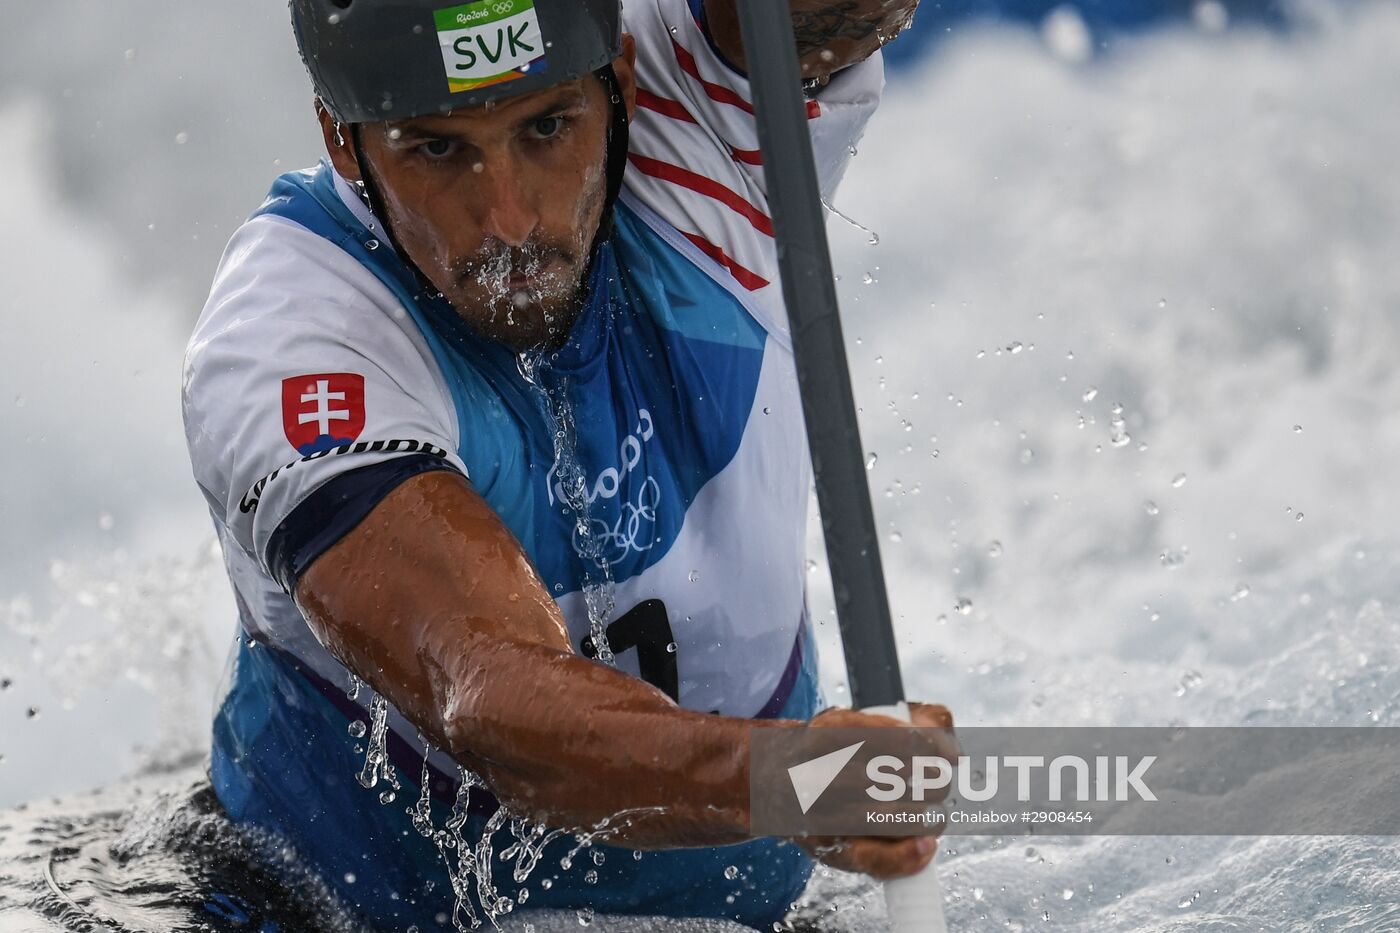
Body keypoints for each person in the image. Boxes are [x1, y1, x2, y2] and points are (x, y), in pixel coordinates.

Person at [182, 0, 951, 926]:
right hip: (316, 910)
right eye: (435, 150)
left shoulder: (701, 111)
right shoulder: (295, 336)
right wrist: (792, 779)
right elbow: (489, 697)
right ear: (342, 143)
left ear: (624, 79)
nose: (508, 222)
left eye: (547, 129)